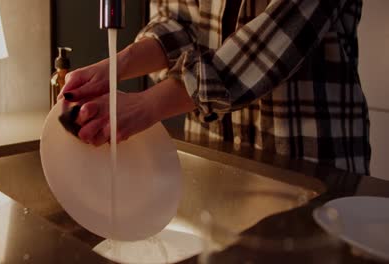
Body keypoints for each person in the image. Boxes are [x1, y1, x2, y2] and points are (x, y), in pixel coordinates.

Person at [60, 0, 371, 175]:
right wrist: (116, 66)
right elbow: (179, 21)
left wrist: (146, 105)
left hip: (309, 159)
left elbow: (279, 38)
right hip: (213, 160)